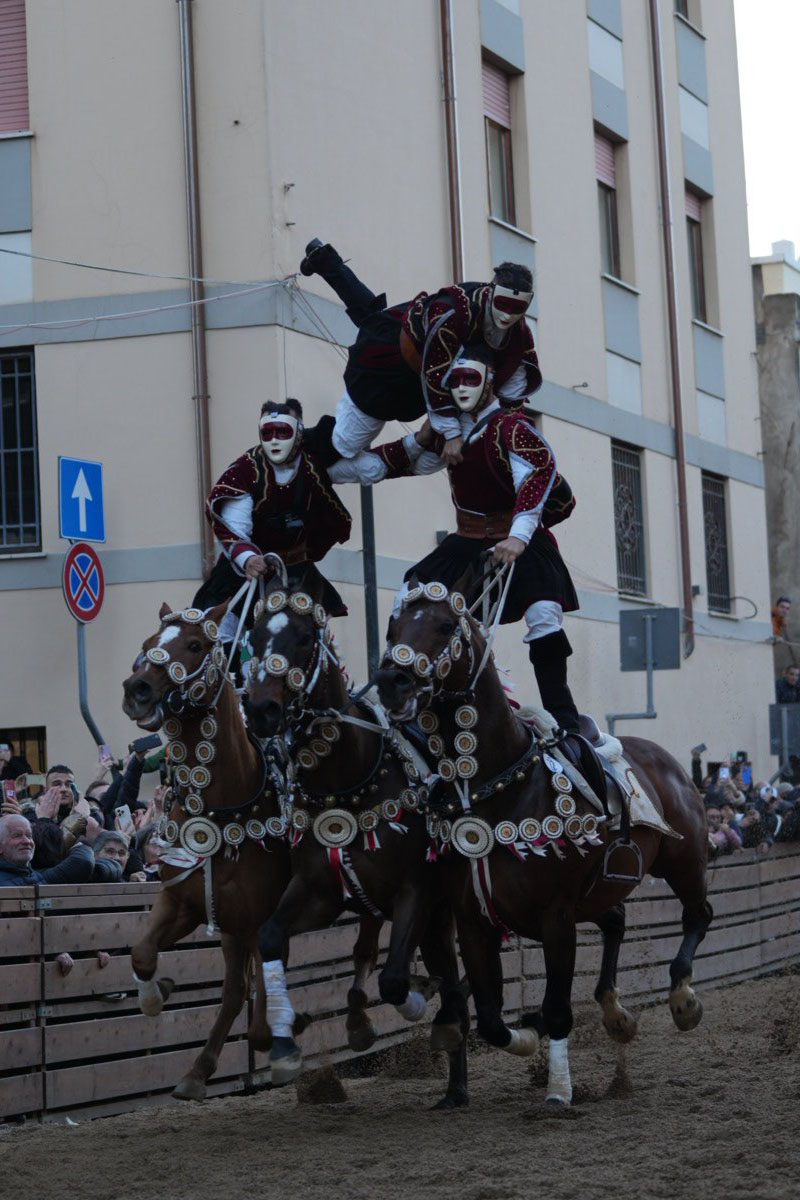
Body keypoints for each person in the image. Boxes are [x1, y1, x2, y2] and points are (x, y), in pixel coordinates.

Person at [397, 344, 580, 733]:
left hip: (520, 537)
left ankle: (565, 721)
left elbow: (536, 477)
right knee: (412, 594)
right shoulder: (447, 433)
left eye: (471, 378)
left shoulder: (512, 428)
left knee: (544, 615)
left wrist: (518, 537)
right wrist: (420, 438)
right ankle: (405, 699)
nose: (462, 387)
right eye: (455, 379)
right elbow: (404, 464)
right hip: (467, 538)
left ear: (490, 382)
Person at [195, 396, 434, 627]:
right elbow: (234, 527)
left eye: (282, 432)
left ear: (299, 430)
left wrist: (418, 441)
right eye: (268, 433)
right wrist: (248, 559)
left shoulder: (313, 463)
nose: (275, 440)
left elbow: (370, 466)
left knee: (308, 635)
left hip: (297, 571)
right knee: (217, 632)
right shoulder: (245, 470)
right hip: (245, 572)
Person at [299, 239, 541, 466]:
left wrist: (510, 435)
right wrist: (451, 433)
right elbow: (435, 372)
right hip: (389, 367)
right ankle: (299, 441)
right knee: (345, 443)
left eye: (517, 308)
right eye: (503, 305)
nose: (507, 315)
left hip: (414, 356)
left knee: (372, 317)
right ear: (490, 293)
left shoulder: (519, 336)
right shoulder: (452, 313)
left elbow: (513, 392)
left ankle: (324, 259)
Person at [0, 813, 118, 885]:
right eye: (17, 835)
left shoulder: (36, 876)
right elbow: (81, 862)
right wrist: (80, 846)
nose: (27, 841)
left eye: (29, 836)